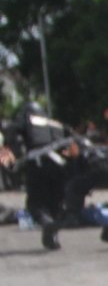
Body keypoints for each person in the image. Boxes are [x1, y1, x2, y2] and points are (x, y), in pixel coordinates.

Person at [5, 101, 69, 249]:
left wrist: (15, 156)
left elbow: (12, 131)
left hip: (39, 163)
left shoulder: (28, 120)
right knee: (55, 203)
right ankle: (52, 237)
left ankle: (47, 223)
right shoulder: (55, 123)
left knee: (35, 203)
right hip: (59, 166)